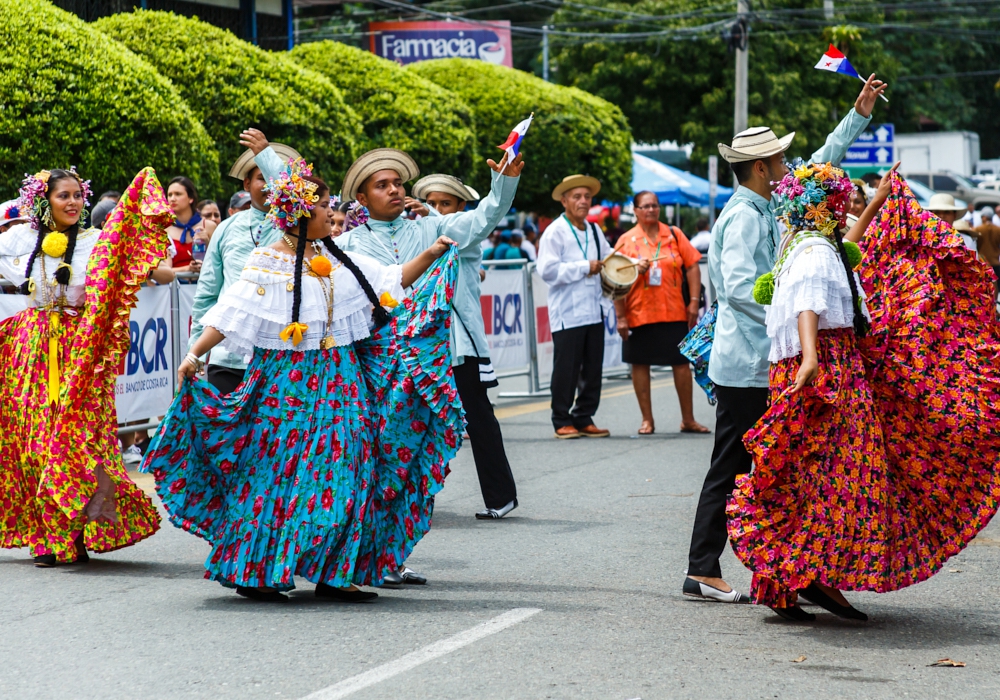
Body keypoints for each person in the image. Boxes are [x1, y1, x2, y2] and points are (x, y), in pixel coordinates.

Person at [142, 160, 458, 602]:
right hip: (283, 389)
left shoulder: (340, 258)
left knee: (350, 470)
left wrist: (430, 254)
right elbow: (234, 314)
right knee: (278, 475)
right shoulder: (267, 263)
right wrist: (194, 354)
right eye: (325, 207)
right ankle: (258, 572)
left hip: (342, 383)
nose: (333, 214)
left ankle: (336, 572)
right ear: (299, 213)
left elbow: (389, 283)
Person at [683, 74, 887, 604]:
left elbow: (821, 161)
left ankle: (789, 572)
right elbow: (738, 292)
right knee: (734, 465)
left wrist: (859, 112)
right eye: (778, 163)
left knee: (778, 464)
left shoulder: (768, 204)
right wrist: (797, 320)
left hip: (765, 358)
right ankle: (704, 567)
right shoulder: (745, 216)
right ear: (759, 169)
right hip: (749, 361)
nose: (785, 169)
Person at [336, 148, 524, 544]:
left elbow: (485, 216)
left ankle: (399, 543)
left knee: (426, 446)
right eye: (382, 185)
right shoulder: (347, 244)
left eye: (398, 183)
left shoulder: (428, 228)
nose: (394, 190)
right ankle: (373, 543)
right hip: (381, 363)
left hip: (437, 356)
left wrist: (503, 182)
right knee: (385, 447)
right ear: (362, 199)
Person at [0, 166, 167, 566]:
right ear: (44, 202)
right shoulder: (19, 240)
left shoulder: (97, 243)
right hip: (31, 347)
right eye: (63, 196)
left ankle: (72, 529)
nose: (73, 202)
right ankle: (45, 533)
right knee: (35, 440)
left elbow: (127, 272)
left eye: (78, 195)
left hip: (81, 349)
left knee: (77, 439)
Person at [411, 172, 519, 523]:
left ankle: (501, 496)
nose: (436, 210)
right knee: (409, 420)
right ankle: (407, 503)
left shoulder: (462, 230)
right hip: (420, 341)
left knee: (478, 417)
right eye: (431, 203)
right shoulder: (416, 232)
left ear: (460, 207)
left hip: (458, 342)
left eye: (446, 204)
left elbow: (490, 211)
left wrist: (503, 180)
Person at [188, 130, 298, 395]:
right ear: (247, 184)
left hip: (280, 354)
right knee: (225, 434)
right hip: (228, 356)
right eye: (263, 178)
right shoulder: (226, 229)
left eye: (276, 179)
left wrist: (265, 155)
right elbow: (207, 294)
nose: (271, 185)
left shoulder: (296, 227)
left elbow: (294, 199)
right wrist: (195, 352)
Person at [614, 191, 709, 435]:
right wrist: (621, 316)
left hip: (674, 310)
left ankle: (688, 419)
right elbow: (615, 279)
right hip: (639, 312)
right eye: (645, 206)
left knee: (680, 364)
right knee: (640, 363)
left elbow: (692, 267)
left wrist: (694, 302)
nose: (651, 210)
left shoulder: (674, 234)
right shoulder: (626, 240)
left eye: (655, 206)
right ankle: (647, 420)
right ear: (634, 210)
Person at [536, 174, 614, 439]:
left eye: (587, 197)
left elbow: (608, 257)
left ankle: (584, 416)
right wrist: (584, 267)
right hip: (568, 312)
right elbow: (546, 270)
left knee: (593, 368)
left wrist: (631, 263)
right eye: (577, 197)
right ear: (564, 200)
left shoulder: (593, 229)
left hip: (593, 308)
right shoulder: (555, 231)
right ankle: (561, 418)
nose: (583, 201)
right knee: (567, 369)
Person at [165, 176, 216, 273]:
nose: (172, 199)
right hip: (175, 287)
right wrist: (188, 269)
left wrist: (207, 242)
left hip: (205, 285)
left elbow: (220, 262)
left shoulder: (209, 226)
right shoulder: (164, 230)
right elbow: (163, 272)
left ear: (191, 198)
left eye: (178, 194)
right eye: (169, 195)